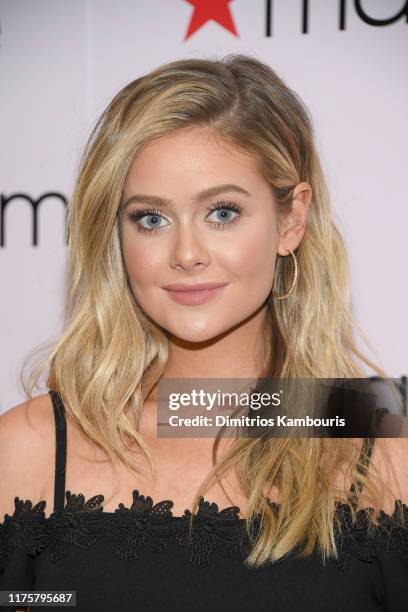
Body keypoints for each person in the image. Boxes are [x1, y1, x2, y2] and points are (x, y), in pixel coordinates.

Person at [0, 54, 407, 612]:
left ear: (291, 220)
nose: (186, 254)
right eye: (150, 218)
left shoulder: (382, 443)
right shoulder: (30, 449)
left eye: (221, 212)